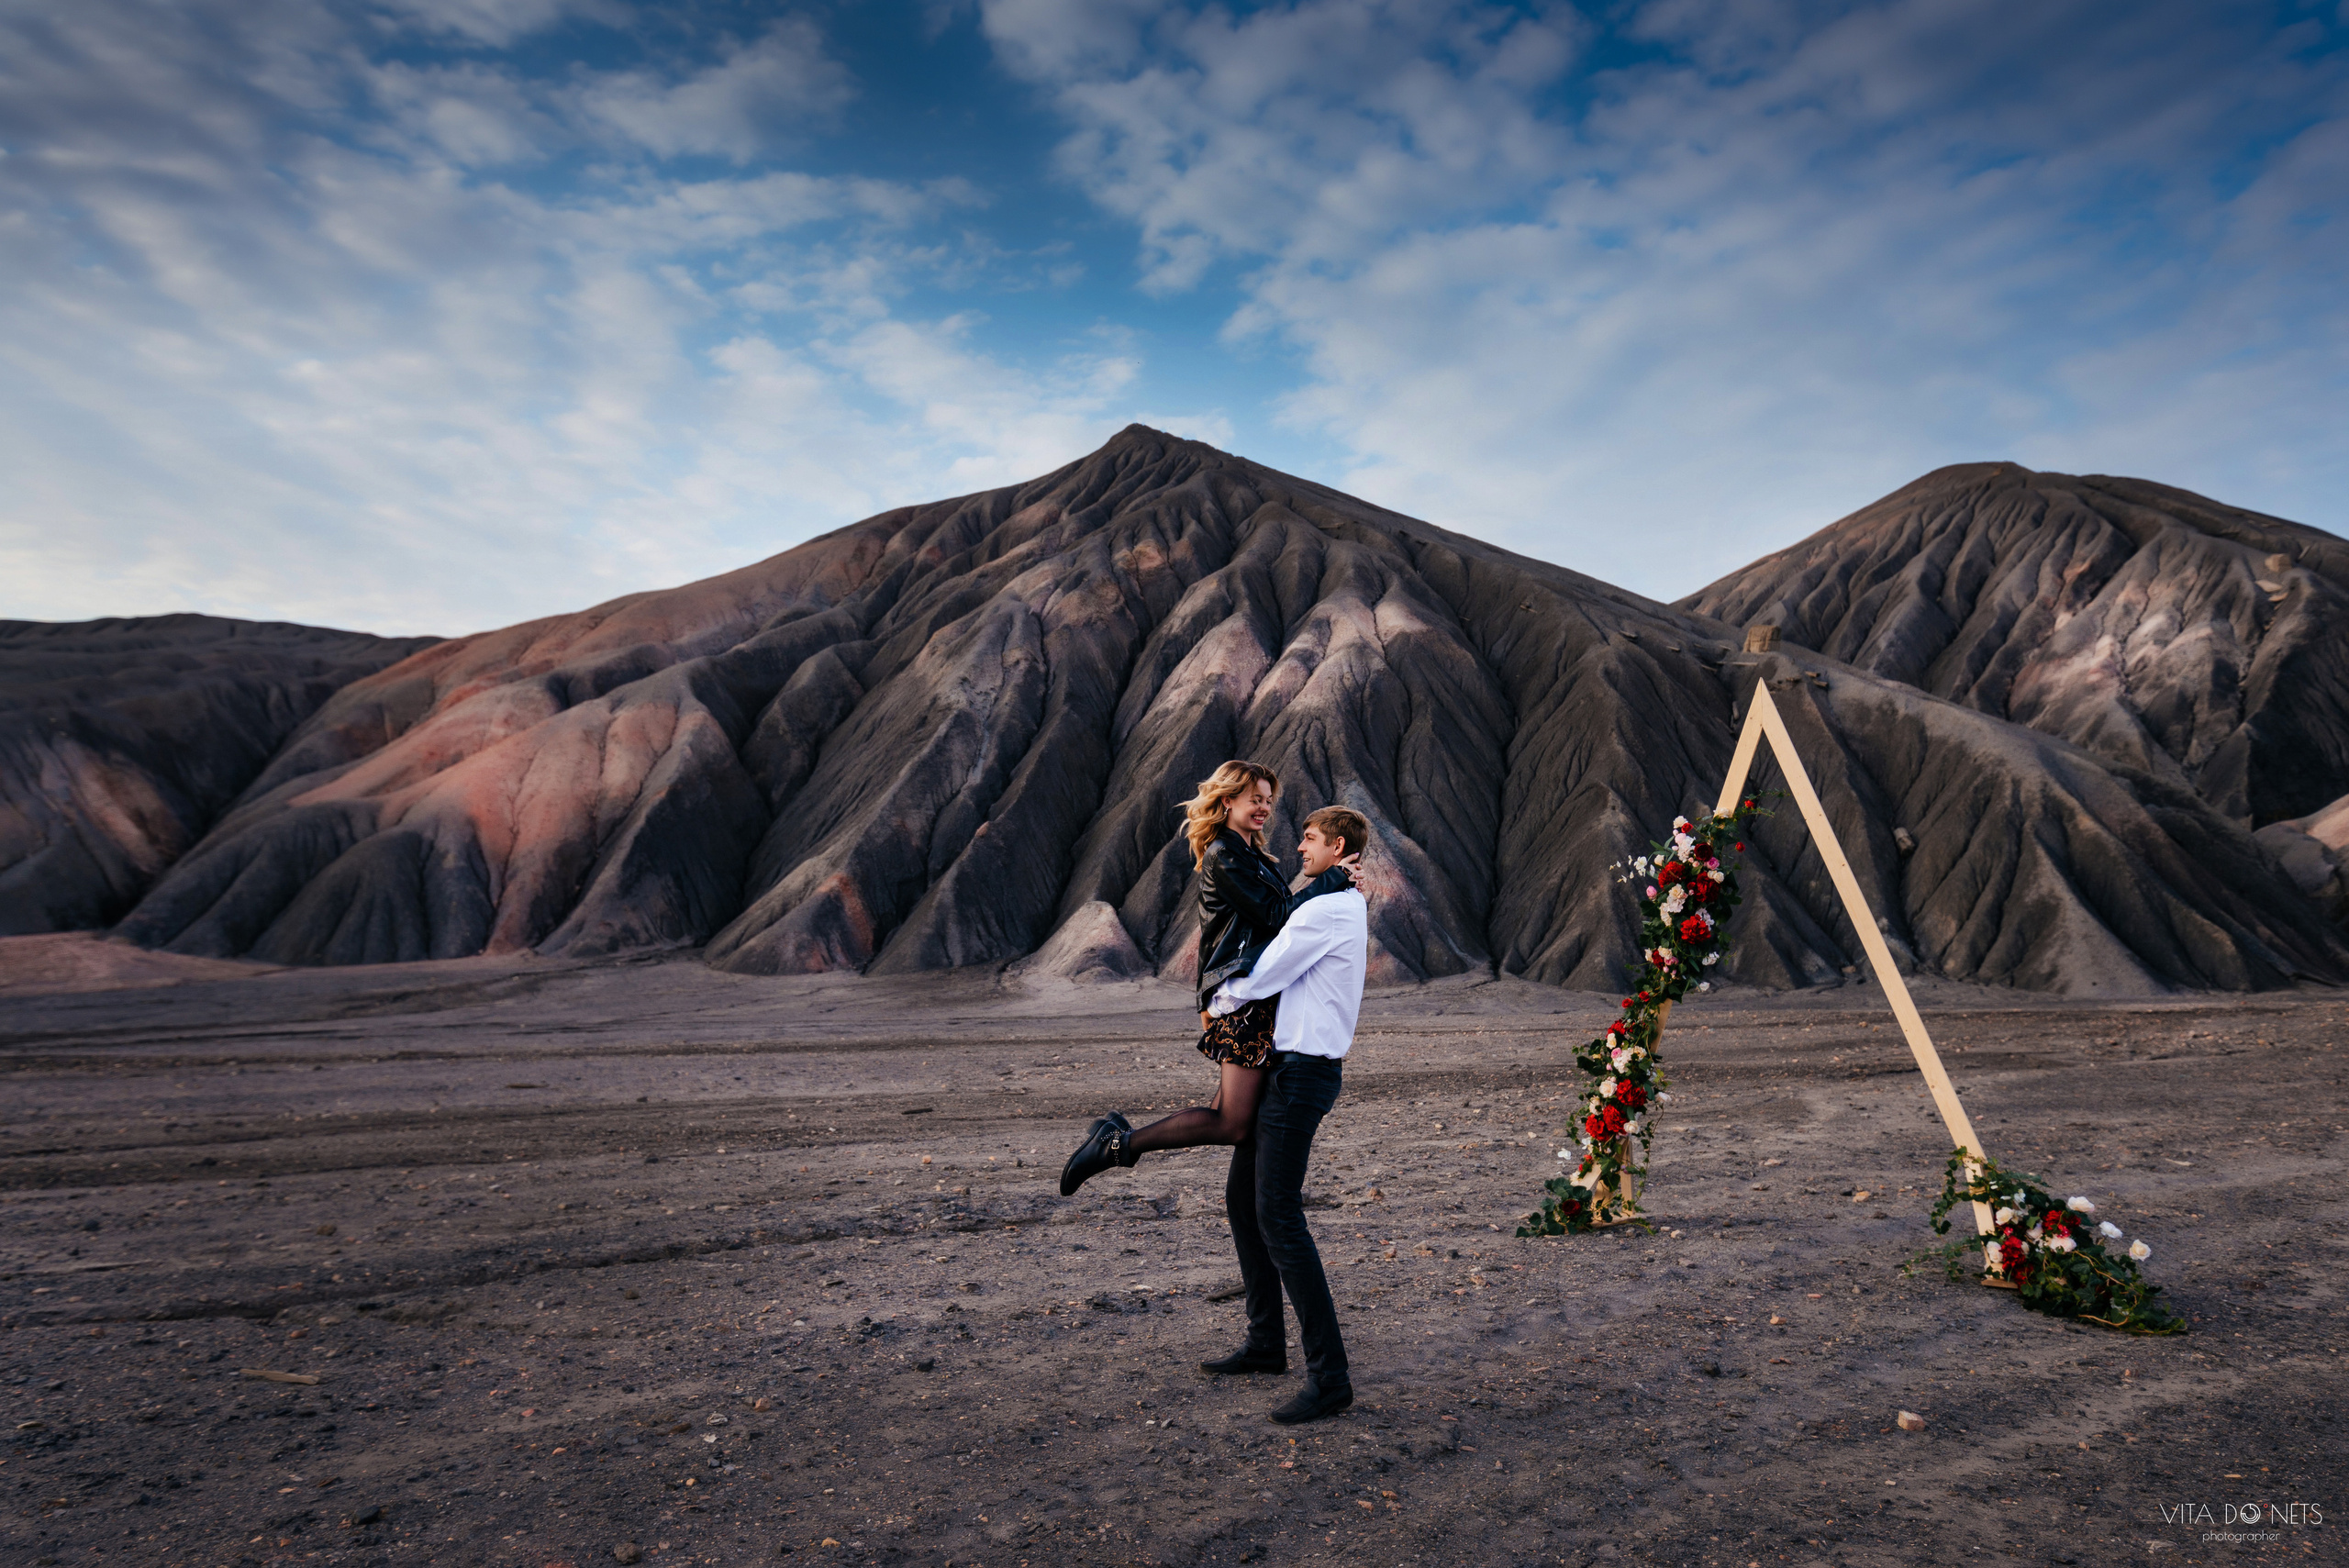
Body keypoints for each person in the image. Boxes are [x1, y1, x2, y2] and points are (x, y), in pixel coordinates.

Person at [1064, 795, 1374, 1426]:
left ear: (1337, 848)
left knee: (1279, 1216)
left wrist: (1216, 994)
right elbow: (1286, 919)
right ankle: (1266, 1345)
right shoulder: (1331, 901)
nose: (1301, 847)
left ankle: (1330, 1377)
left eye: (1312, 839)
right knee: (1243, 1200)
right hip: (1291, 1070)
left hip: (1302, 1075)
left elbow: (1263, 974)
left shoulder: (1328, 910)